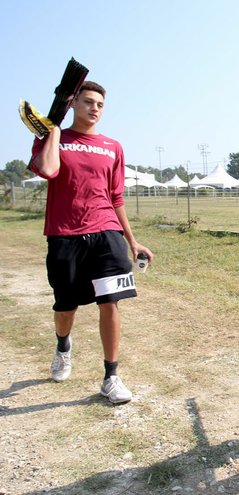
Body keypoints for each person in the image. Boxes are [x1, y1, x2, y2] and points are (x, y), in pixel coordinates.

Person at [29, 81, 154, 404]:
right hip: (64, 234)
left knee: (109, 300)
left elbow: (116, 197)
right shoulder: (50, 139)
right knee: (65, 305)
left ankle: (111, 377)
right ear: (72, 104)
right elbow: (48, 168)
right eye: (87, 102)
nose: (95, 108)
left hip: (106, 231)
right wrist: (54, 130)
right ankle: (63, 346)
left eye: (99, 103)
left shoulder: (113, 147)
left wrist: (132, 241)